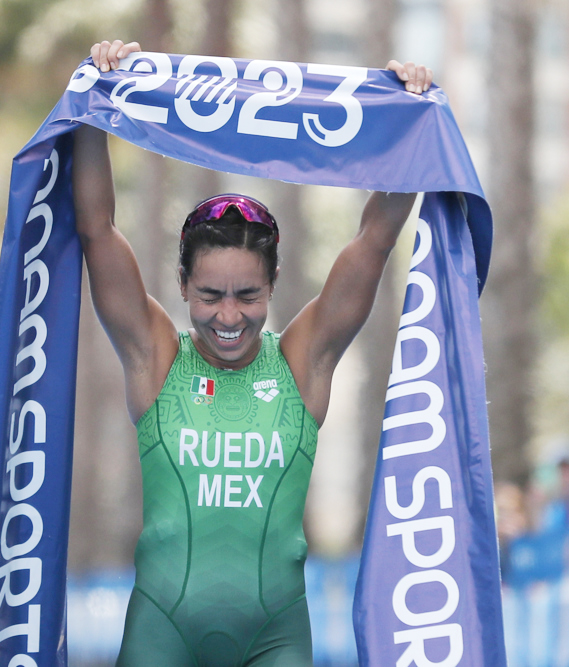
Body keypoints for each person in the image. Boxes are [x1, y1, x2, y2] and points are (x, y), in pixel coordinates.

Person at [76, 39, 432, 667]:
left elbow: (375, 241)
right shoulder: (156, 360)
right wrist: (89, 103)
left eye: (248, 295)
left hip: (275, 638)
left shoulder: (301, 364)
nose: (229, 317)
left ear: (272, 286)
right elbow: (97, 229)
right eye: (210, 295)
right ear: (182, 285)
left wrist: (406, 113)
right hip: (162, 634)